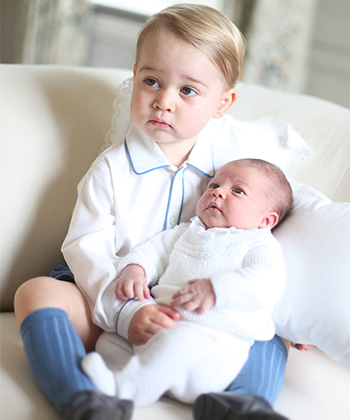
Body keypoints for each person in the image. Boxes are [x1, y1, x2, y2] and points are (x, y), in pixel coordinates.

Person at [13, 4, 297, 420]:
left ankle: (244, 404)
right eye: (151, 81)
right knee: (35, 293)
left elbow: (271, 232)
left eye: (187, 90)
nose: (163, 101)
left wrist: (297, 313)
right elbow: (85, 248)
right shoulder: (112, 169)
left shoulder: (234, 169)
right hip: (111, 299)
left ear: (222, 103)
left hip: (203, 311)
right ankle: (83, 399)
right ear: (134, 77)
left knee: (273, 335)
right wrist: (128, 313)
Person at [81, 158, 293, 416]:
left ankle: (120, 393)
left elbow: (265, 282)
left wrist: (216, 290)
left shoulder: (259, 244)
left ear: (266, 220)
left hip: (210, 345)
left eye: (238, 191)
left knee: (177, 344)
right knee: (110, 340)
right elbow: (153, 251)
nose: (218, 192)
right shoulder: (186, 231)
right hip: (159, 329)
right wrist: (135, 269)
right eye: (214, 184)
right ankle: (127, 374)